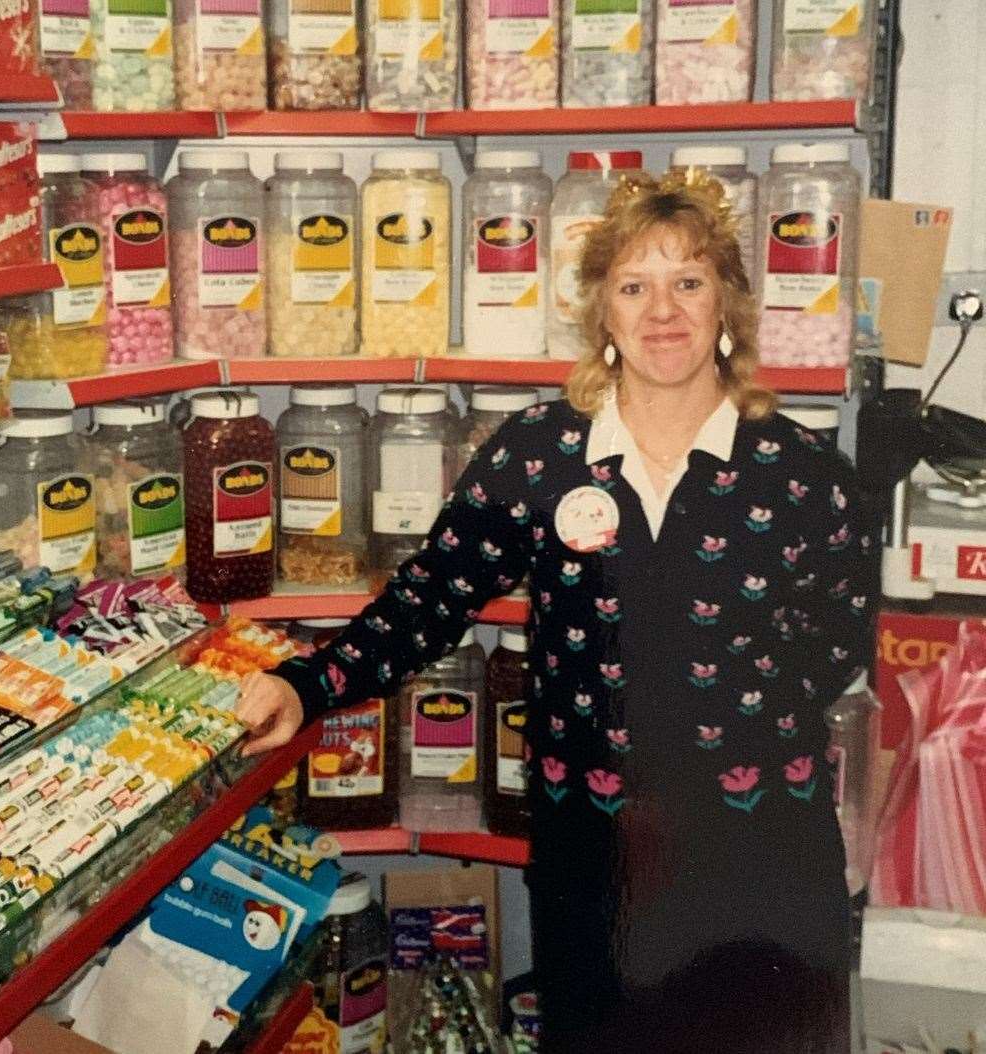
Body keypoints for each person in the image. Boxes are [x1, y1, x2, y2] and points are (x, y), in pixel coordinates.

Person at [236, 172, 879, 1053]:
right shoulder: (541, 452)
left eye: (689, 283)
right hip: (596, 859)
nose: (663, 311)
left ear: (728, 302)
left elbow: (838, 638)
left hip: (761, 859)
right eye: (634, 286)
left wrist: (720, 732)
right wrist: (307, 686)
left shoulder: (802, 471)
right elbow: (431, 596)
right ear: (602, 314)